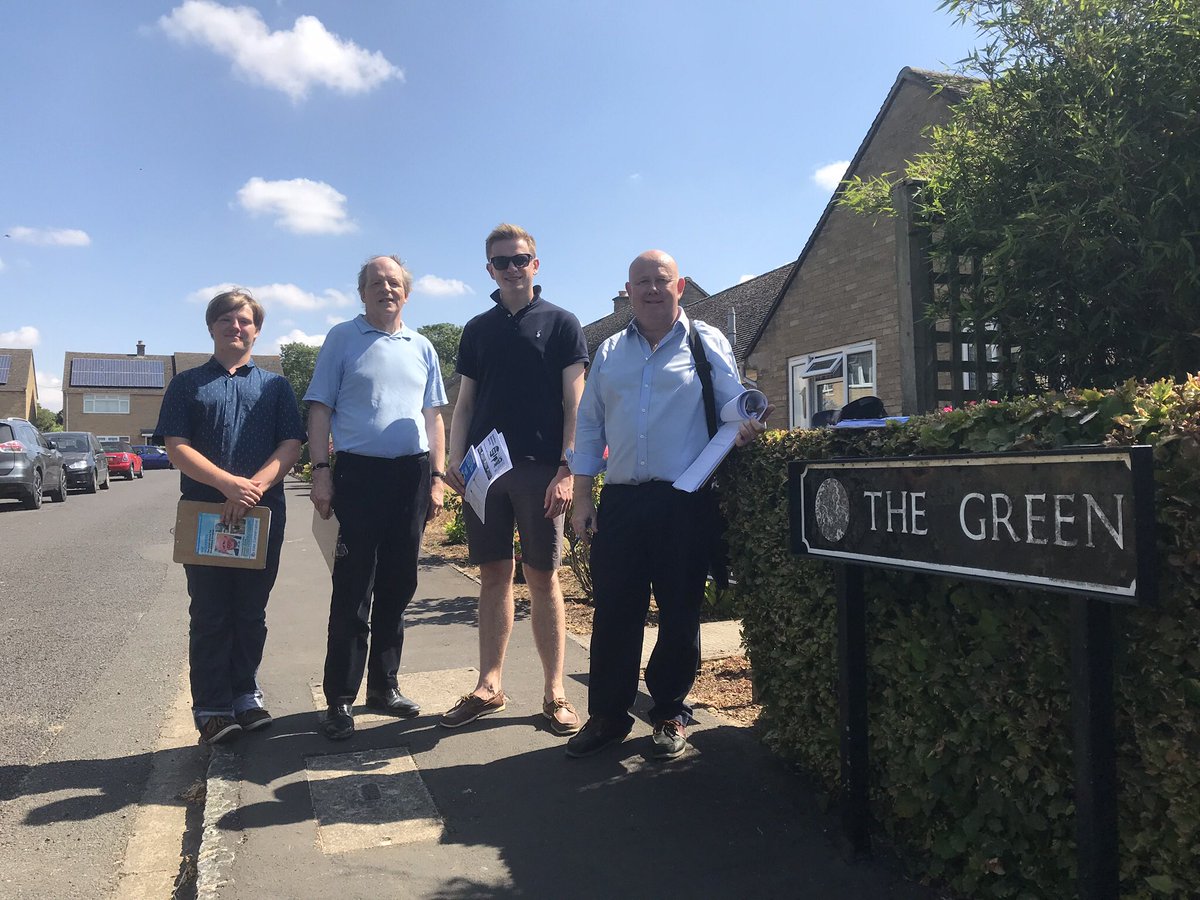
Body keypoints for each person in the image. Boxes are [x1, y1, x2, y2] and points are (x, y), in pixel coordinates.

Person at [566, 250, 769, 760]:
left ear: (679, 287)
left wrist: (744, 422)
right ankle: (608, 717)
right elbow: (589, 426)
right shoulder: (609, 351)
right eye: (643, 282)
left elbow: (732, 401)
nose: (653, 289)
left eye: (662, 280)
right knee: (614, 612)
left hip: (685, 500)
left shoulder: (706, 340)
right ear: (628, 291)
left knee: (680, 610)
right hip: (622, 500)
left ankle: (670, 714)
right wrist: (584, 495)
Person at [442, 224, 588, 735]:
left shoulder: (563, 323)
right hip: (484, 472)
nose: (511, 268)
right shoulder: (477, 329)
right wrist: (455, 459)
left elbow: (576, 402)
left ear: (536, 264)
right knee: (494, 577)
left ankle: (555, 692)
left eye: (520, 259)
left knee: (545, 578)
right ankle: (490, 686)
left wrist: (568, 467)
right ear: (489, 270)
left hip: (541, 470)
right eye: (501, 262)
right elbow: (464, 404)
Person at [305, 255, 447, 741]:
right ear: (361, 292)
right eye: (375, 283)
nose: (386, 289)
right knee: (352, 589)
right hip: (358, 477)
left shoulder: (422, 346)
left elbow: (434, 419)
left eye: (394, 283)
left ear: (406, 293)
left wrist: (436, 479)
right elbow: (320, 410)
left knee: (398, 584)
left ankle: (384, 687)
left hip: (411, 476)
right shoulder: (342, 338)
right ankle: (340, 699)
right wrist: (321, 472)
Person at [157, 289, 306, 746]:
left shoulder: (275, 386)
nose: (235, 327)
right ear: (212, 327)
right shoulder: (187, 384)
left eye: (244, 320)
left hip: (260, 515)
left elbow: (291, 445)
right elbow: (176, 445)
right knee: (210, 610)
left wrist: (253, 488)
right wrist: (228, 484)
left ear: (256, 330)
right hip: (206, 513)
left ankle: (245, 695)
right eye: (226, 319)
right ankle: (213, 708)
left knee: (250, 610)